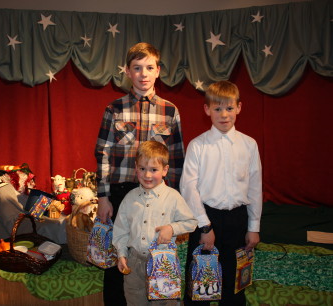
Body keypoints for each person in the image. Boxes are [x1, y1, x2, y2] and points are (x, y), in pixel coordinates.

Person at [95, 42, 185, 305]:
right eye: (137, 68)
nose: (143, 74)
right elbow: (102, 153)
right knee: (118, 259)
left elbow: (177, 158)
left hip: (157, 197)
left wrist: (174, 203)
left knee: (155, 260)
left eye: (149, 67)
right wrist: (103, 197)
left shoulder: (170, 111)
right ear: (127, 71)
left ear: (158, 71)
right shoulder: (114, 109)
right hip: (121, 193)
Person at [180, 80, 262, 305]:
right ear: (207, 110)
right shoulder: (198, 146)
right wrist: (205, 226)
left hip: (237, 220)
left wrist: (253, 227)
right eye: (217, 109)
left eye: (229, 108)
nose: (224, 114)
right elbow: (189, 188)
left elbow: (255, 187)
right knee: (200, 288)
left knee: (234, 287)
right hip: (206, 219)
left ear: (239, 108)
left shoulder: (249, 145)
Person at [112, 140, 197, 306]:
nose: (147, 175)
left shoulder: (173, 197)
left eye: (153, 170)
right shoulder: (129, 198)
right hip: (134, 263)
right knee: (134, 301)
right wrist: (121, 254)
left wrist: (172, 228)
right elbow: (121, 230)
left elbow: (191, 222)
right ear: (136, 167)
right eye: (142, 169)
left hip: (164, 263)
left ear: (165, 170)